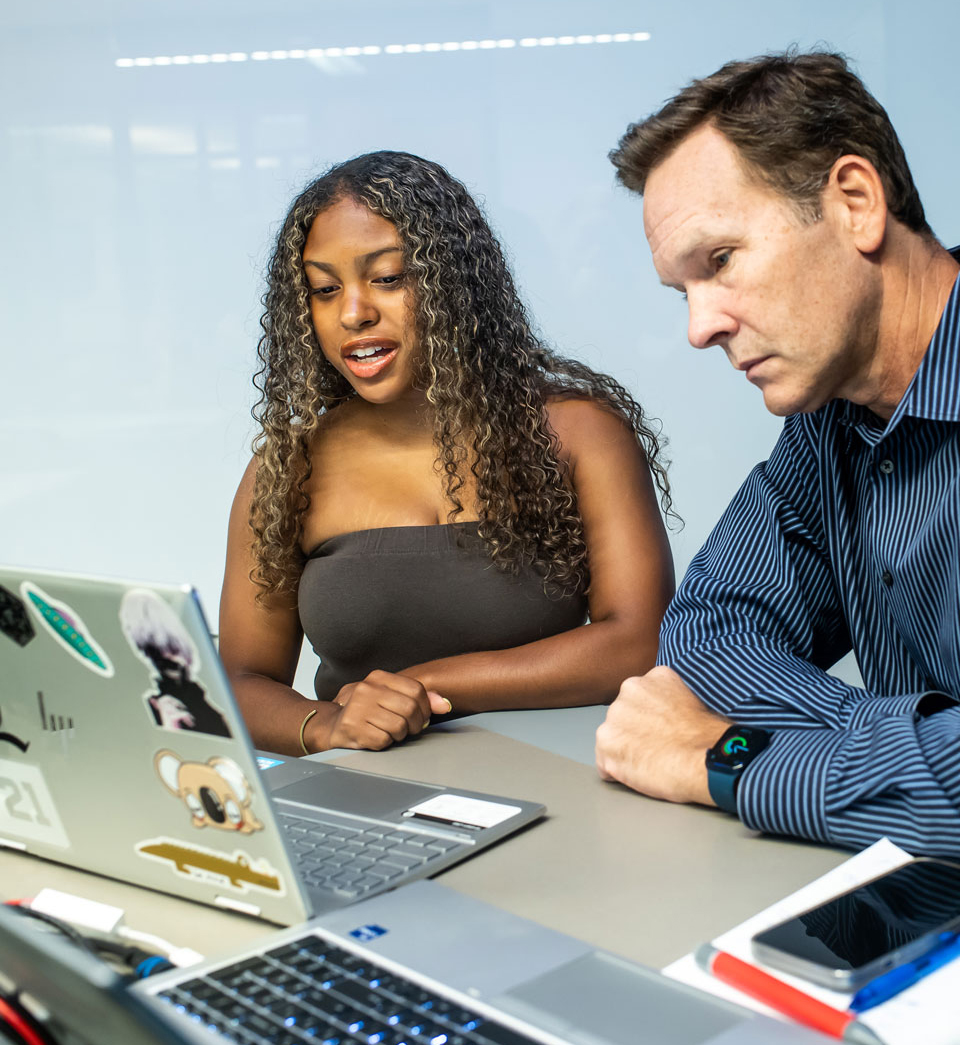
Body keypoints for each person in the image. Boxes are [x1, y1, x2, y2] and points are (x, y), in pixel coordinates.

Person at [595, 50, 960, 857]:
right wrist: (925, 755)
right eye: (682, 290)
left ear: (856, 203)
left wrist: (726, 757)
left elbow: (712, 727)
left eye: (719, 261)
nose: (700, 327)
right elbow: (709, 633)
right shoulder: (830, 414)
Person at [220, 151, 675, 756]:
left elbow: (639, 640)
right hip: (367, 794)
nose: (353, 312)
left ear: (452, 283)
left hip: (563, 782)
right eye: (325, 289)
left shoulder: (578, 433)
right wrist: (325, 726)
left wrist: (423, 686)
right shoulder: (287, 470)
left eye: (387, 278)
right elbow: (240, 684)